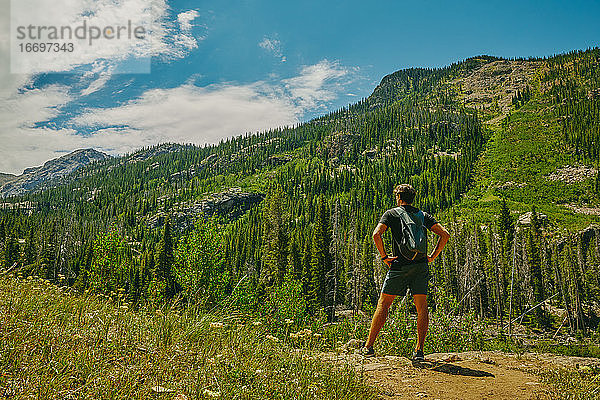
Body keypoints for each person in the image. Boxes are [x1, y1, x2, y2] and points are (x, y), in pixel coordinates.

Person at [360, 184, 450, 361]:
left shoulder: (391, 214)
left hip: (399, 266)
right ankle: (419, 351)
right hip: (421, 266)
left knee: (384, 304)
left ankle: (368, 347)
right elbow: (445, 234)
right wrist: (432, 256)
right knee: (422, 307)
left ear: (399, 198)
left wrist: (385, 257)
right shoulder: (423, 215)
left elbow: (376, 234)